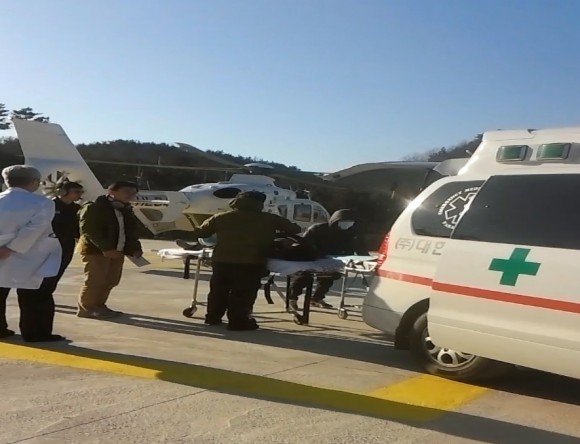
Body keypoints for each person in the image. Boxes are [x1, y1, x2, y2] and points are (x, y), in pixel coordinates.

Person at [177, 191, 301, 330]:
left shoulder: (221, 217)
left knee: (218, 291)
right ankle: (238, 322)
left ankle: (212, 317)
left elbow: (201, 232)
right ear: (260, 203)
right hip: (252, 262)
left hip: (222, 261)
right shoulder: (271, 219)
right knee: (243, 294)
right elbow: (295, 229)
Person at [0, 165, 65, 342]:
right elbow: (35, 228)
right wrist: (11, 248)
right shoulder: (43, 203)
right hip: (31, 255)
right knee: (35, 295)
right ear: (34, 182)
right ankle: (35, 332)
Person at [76, 181, 143, 319]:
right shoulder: (94, 207)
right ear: (112, 191)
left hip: (118, 250)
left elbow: (131, 231)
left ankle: (99, 306)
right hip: (95, 251)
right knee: (95, 281)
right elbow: (89, 230)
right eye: (126, 191)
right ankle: (86, 308)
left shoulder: (126, 210)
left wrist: (135, 248)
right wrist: (106, 248)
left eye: (133, 193)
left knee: (111, 280)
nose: (130, 195)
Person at [288, 209, 368, 311]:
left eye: (350, 221)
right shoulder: (317, 229)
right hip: (312, 258)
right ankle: (292, 298)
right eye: (344, 221)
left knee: (329, 277)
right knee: (304, 276)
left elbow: (361, 248)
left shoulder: (352, 232)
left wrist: (367, 259)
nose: (347, 224)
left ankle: (316, 298)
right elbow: (303, 244)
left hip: (331, 261)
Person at [39, 181, 84, 302]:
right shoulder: (49, 206)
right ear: (62, 192)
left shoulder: (77, 209)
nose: (80, 194)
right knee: (45, 272)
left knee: (58, 271)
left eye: (81, 192)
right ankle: (40, 295)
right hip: (48, 244)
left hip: (67, 244)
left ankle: (46, 295)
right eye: (76, 192)